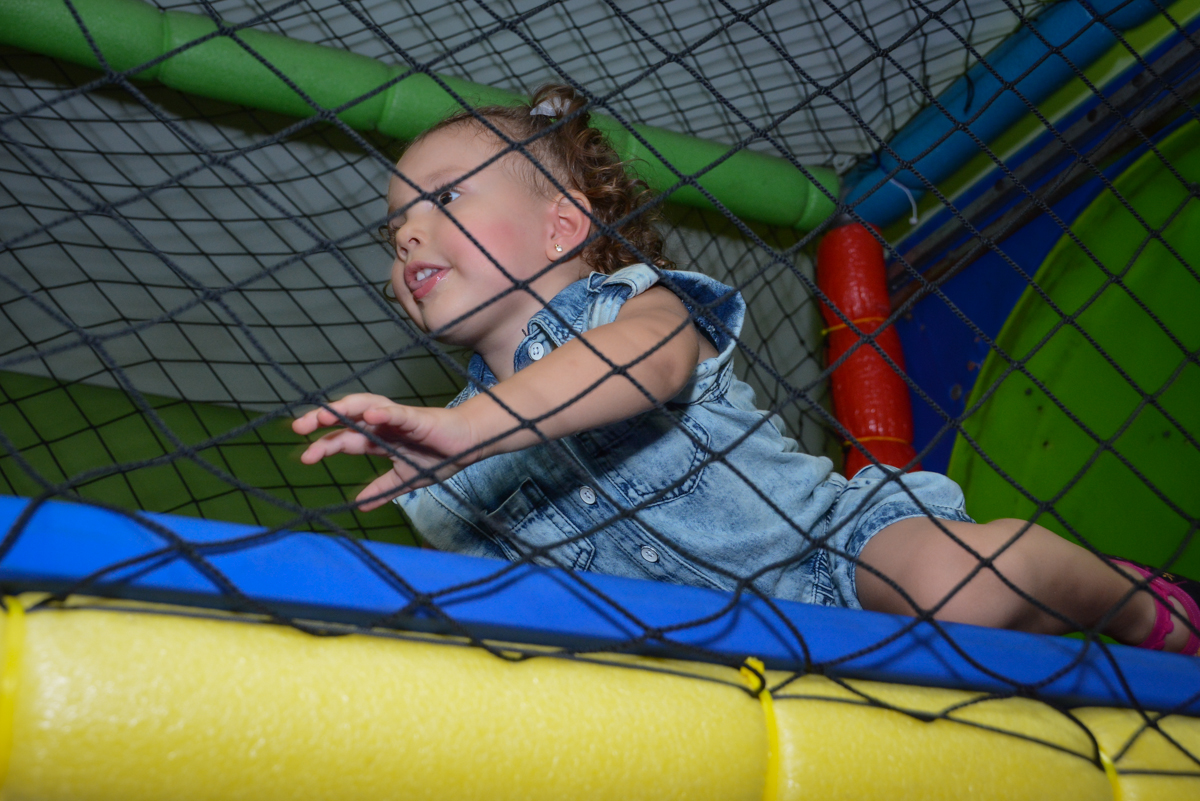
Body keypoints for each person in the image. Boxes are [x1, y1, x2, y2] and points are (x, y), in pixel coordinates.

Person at [292, 85, 1199, 655]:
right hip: (696, 657)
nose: (407, 231)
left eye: (445, 198)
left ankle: (1133, 603)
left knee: (973, 580)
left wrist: (476, 427)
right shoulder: (445, 469)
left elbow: (646, 362)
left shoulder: (627, 308)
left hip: (832, 559)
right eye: (395, 225)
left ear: (565, 227)